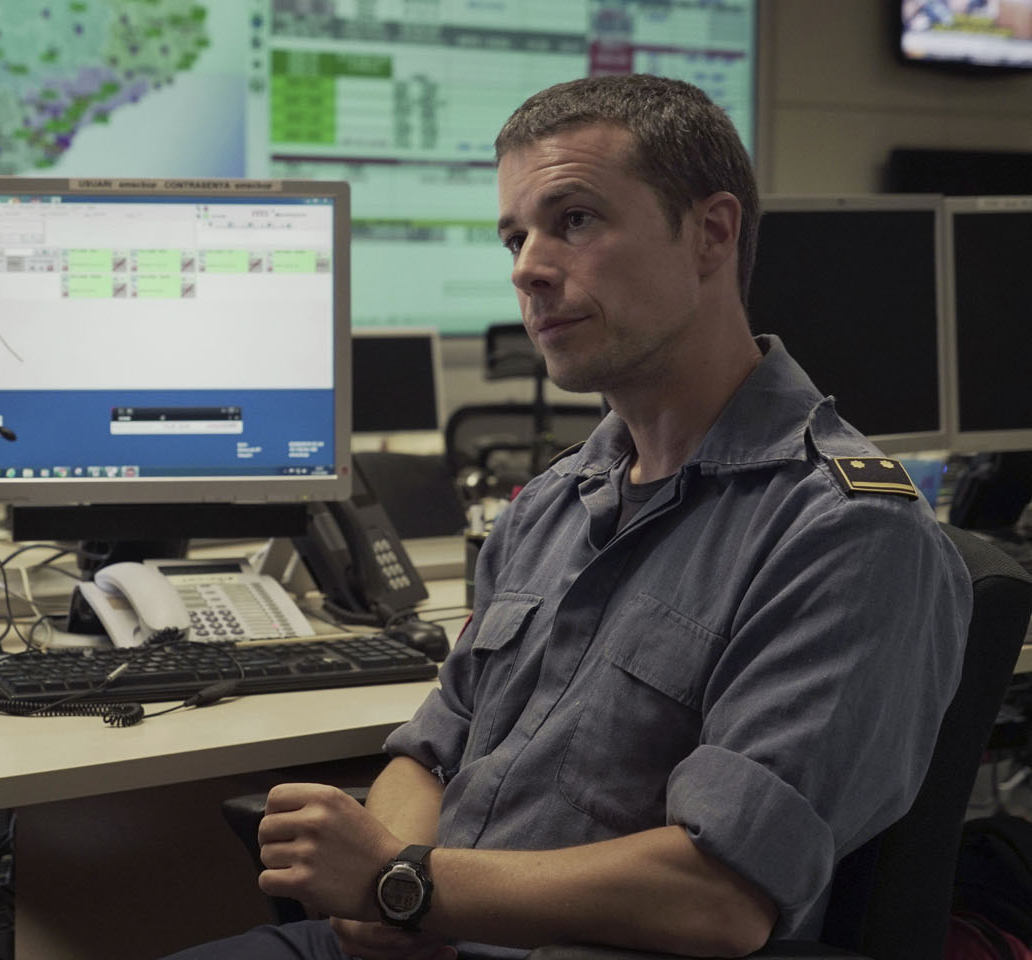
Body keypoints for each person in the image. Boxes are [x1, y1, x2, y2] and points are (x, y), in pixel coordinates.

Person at [163, 73, 973, 960]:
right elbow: (429, 752)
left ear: (710, 233)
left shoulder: (844, 531)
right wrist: (393, 893)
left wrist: (405, 884)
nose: (526, 267)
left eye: (575, 220)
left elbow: (718, 896)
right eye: (515, 237)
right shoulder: (551, 502)